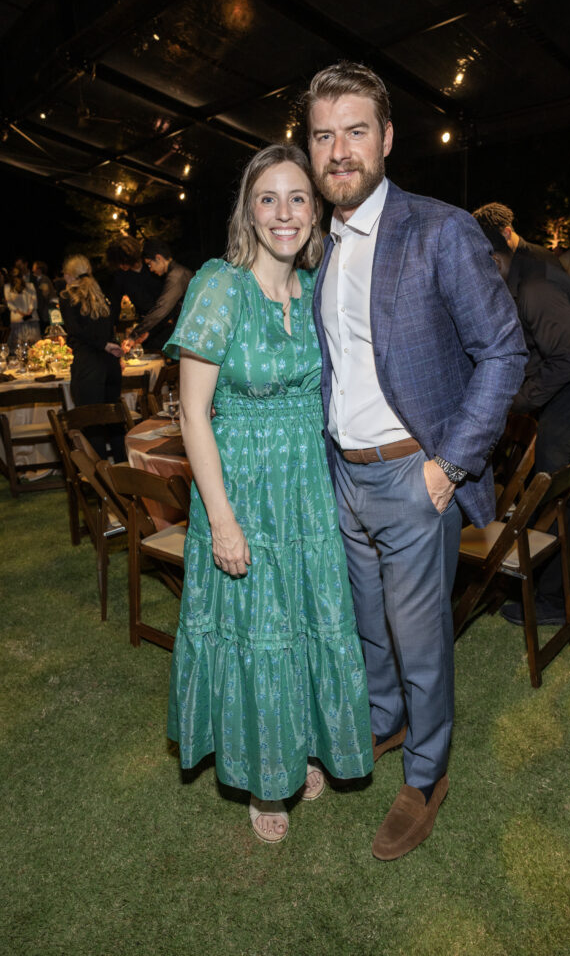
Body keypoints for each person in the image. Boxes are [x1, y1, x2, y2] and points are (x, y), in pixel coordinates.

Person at [304, 62, 527, 860]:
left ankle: (428, 773)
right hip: (343, 474)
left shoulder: (438, 229)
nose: (339, 151)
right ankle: (384, 720)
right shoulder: (316, 246)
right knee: (369, 628)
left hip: (411, 474)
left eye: (355, 131)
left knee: (420, 636)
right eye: (324, 135)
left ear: (387, 138)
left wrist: (449, 467)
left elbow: (503, 352)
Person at [164, 144, 373, 845]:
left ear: (315, 211)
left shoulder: (315, 288)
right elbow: (193, 413)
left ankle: (304, 745)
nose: (283, 213)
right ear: (247, 212)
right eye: (267, 199)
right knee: (257, 634)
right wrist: (221, 520)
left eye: (297, 198)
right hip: (242, 489)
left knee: (306, 622)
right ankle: (262, 777)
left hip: (306, 491)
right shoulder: (220, 286)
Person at [472, 215, 570, 610]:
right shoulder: (522, 276)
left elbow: (563, 362)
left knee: (554, 479)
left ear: (493, 260)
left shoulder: (535, 286)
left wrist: (514, 403)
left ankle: (553, 599)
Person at [59, 254, 125, 461]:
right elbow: (109, 327)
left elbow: (75, 331)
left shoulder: (67, 297)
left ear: (69, 276)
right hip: (110, 365)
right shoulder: (100, 295)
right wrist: (109, 346)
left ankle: (101, 481)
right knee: (114, 423)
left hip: (89, 366)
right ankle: (126, 476)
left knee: (91, 423)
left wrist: (103, 344)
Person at [121, 238, 192, 353]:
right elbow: (168, 311)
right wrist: (148, 332)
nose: (151, 270)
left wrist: (134, 334)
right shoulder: (177, 273)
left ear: (159, 258)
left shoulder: (176, 276)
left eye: (149, 264)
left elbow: (161, 308)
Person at [4, 266, 40, 352]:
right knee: (32, 347)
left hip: (19, 319)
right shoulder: (30, 286)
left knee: (19, 348)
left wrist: (22, 312)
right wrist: (29, 312)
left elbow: (9, 304)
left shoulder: (8, 287)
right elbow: (33, 301)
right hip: (29, 318)